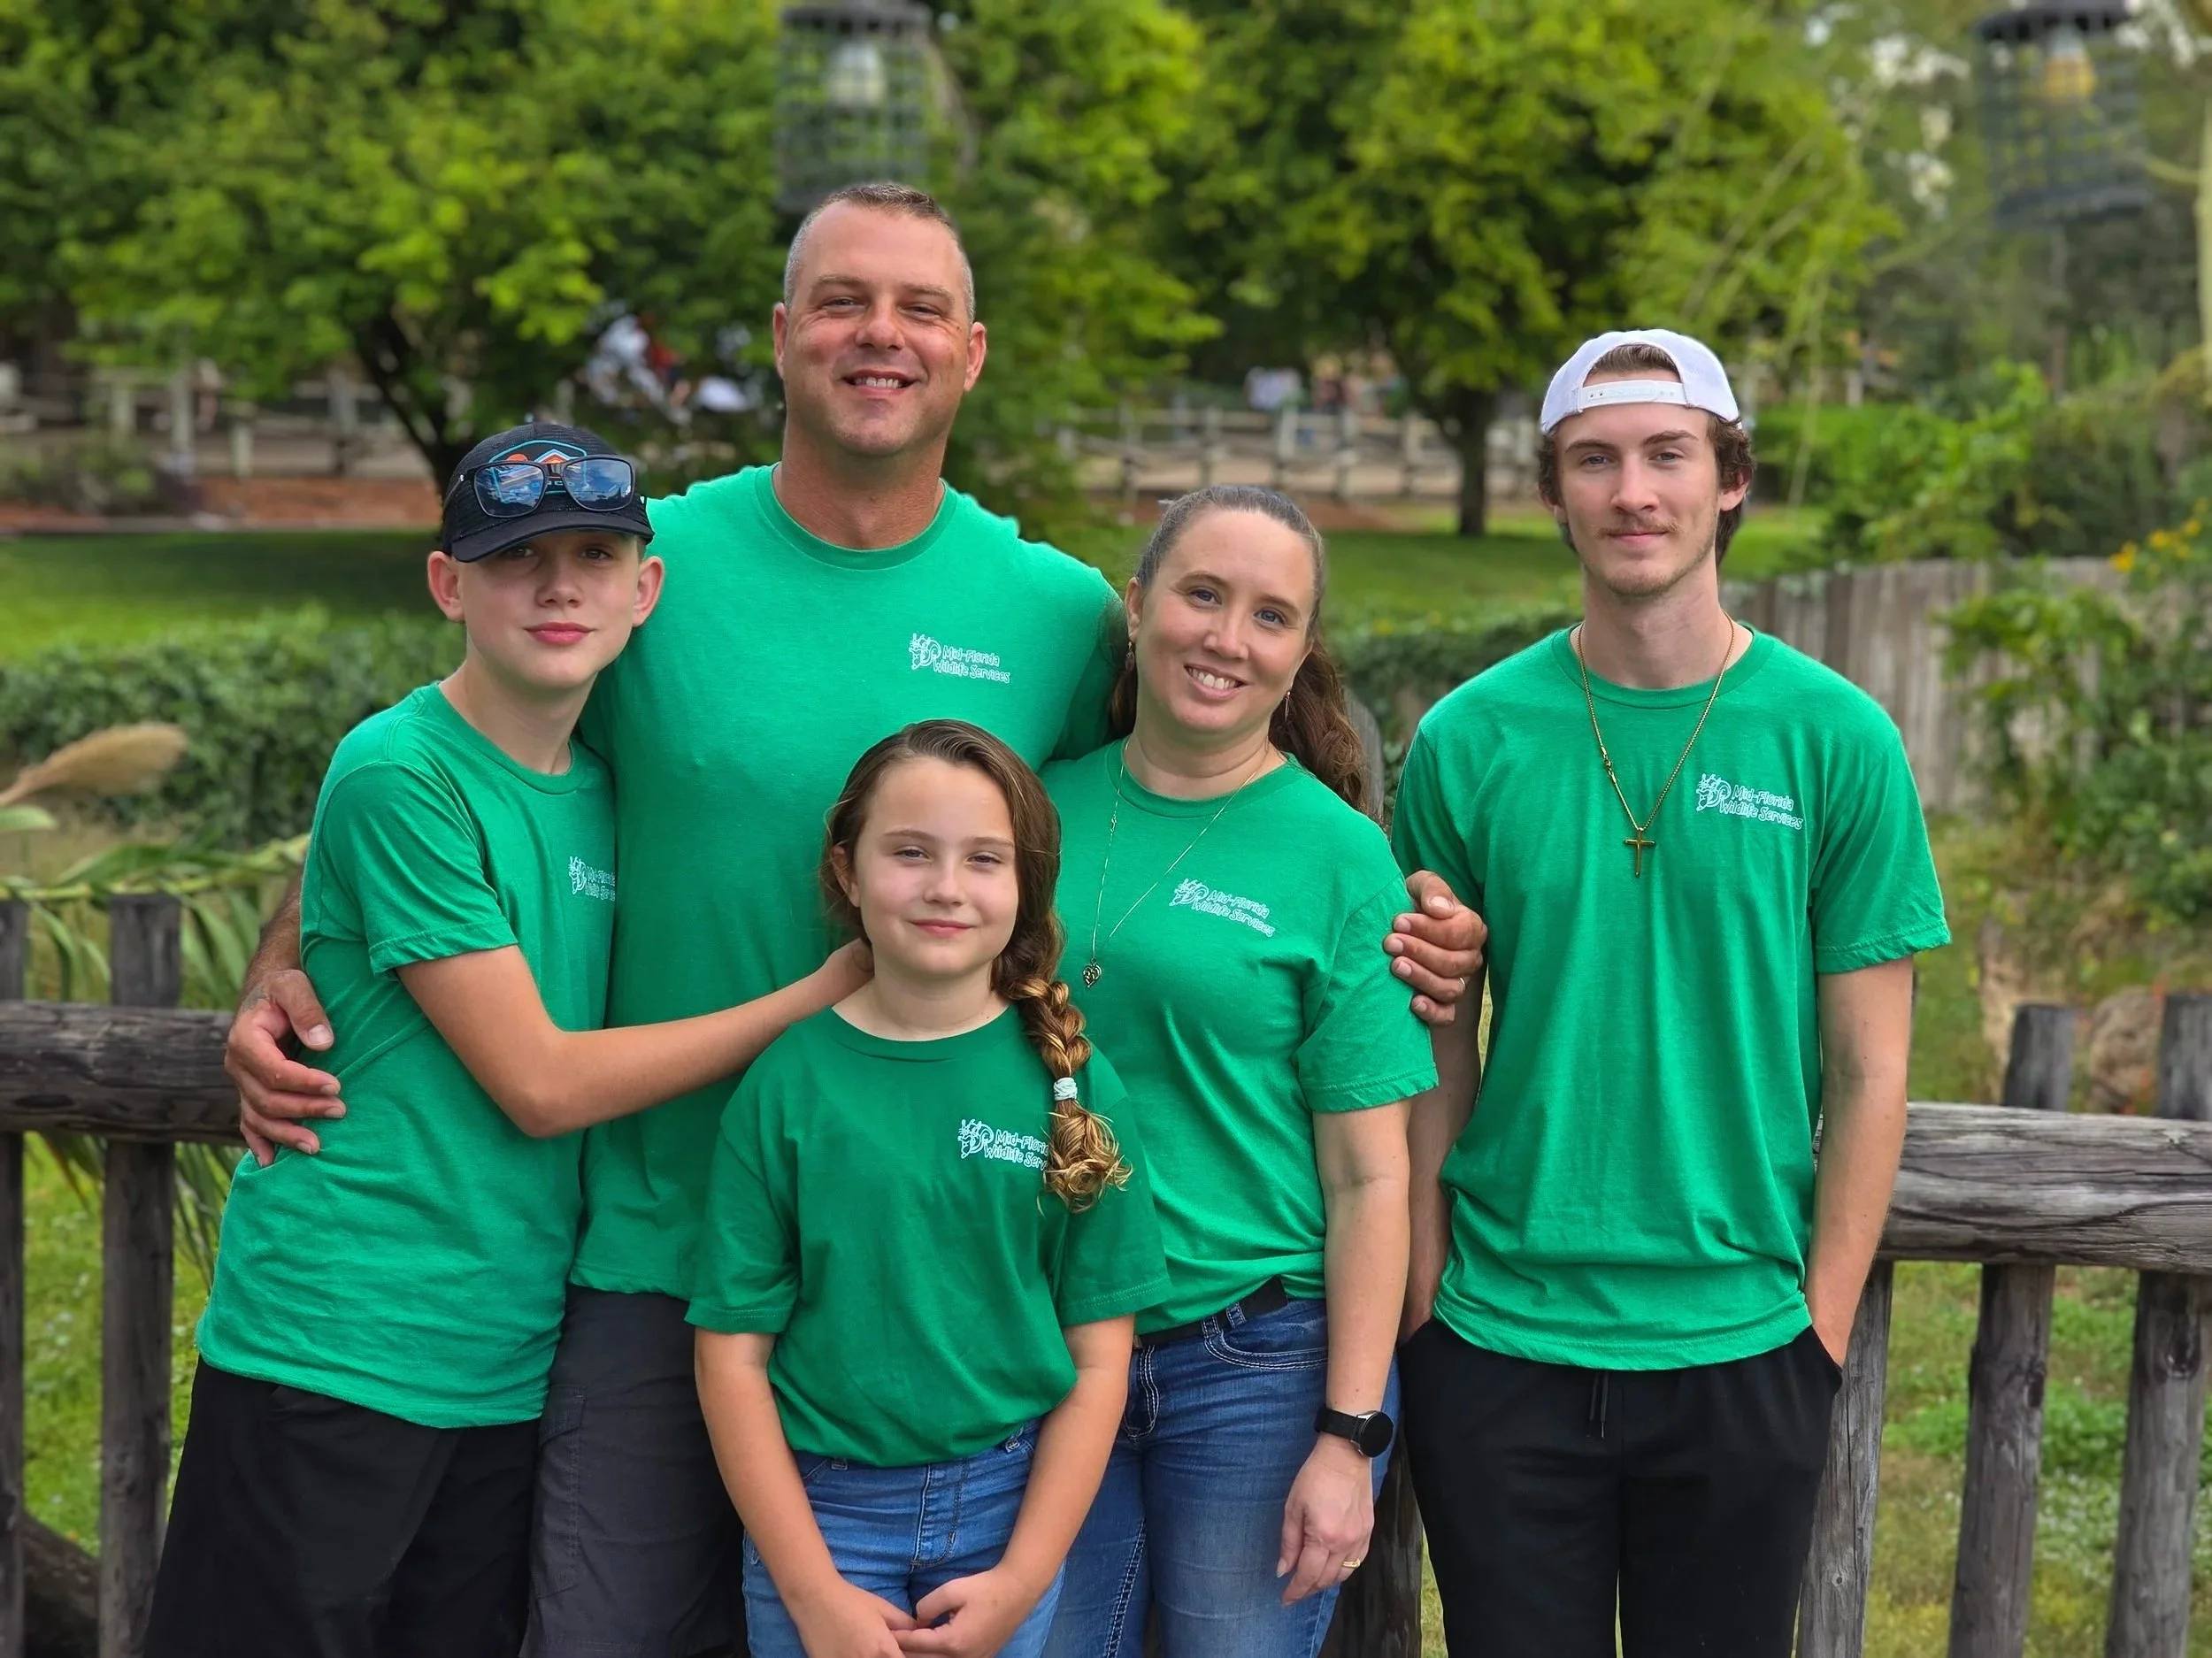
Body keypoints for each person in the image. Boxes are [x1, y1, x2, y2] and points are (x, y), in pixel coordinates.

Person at [223, 182, 1486, 1657]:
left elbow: (1203, 778)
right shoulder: (648, 570)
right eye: (841, 301)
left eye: (918, 308)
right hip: (655, 1237)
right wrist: (282, 948)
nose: (877, 334)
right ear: (780, 336)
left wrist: (1407, 913)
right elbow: (460, 741)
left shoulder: (1057, 610)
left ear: (971, 352)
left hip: (937, 1282)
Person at [144, 424, 866, 1658]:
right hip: (340, 1342)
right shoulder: (401, 769)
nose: (556, 584)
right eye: (516, 555)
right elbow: (536, 1080)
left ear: (645, 590)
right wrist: (822, 994)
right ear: (448, 585)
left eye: (592, 553)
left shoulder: (601, 785)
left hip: (503, 1354)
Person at [1389, 329, 1951, 1658]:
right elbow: (1434, 1040)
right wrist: (1426, 1302)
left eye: (1665, 455)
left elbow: (1872, 1068)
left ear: (1729, 478)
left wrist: (1813, 1334)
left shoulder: (1837, 741)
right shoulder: (1470, 739)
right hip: (1501, 1334)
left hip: (1742, 1339)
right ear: (1556, 492)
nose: (1632, 491)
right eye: (1595, 459)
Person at [1041, 486, 1433, 1658]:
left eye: (1270, 615)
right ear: (1139, 603)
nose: (1225, 637)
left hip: (1253, 1360)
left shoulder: (1339, 855)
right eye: (1202, 593)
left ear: (1300, 652)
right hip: (1051, 1343)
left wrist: (1348, 1434)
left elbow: (1373, 1181)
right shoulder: (1031, 812)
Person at [695, 719, 1166, 1658]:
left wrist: (1022, 1580)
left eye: (984, 858)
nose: (946, 886)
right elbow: (732, 1357)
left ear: (1027, 883)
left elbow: (1100, 1359)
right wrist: (812, 1590)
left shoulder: (1071, 1083)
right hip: (821, 1516)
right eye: (909, 852)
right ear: (848, 871)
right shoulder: (787, 1083)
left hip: (1006, 1508)